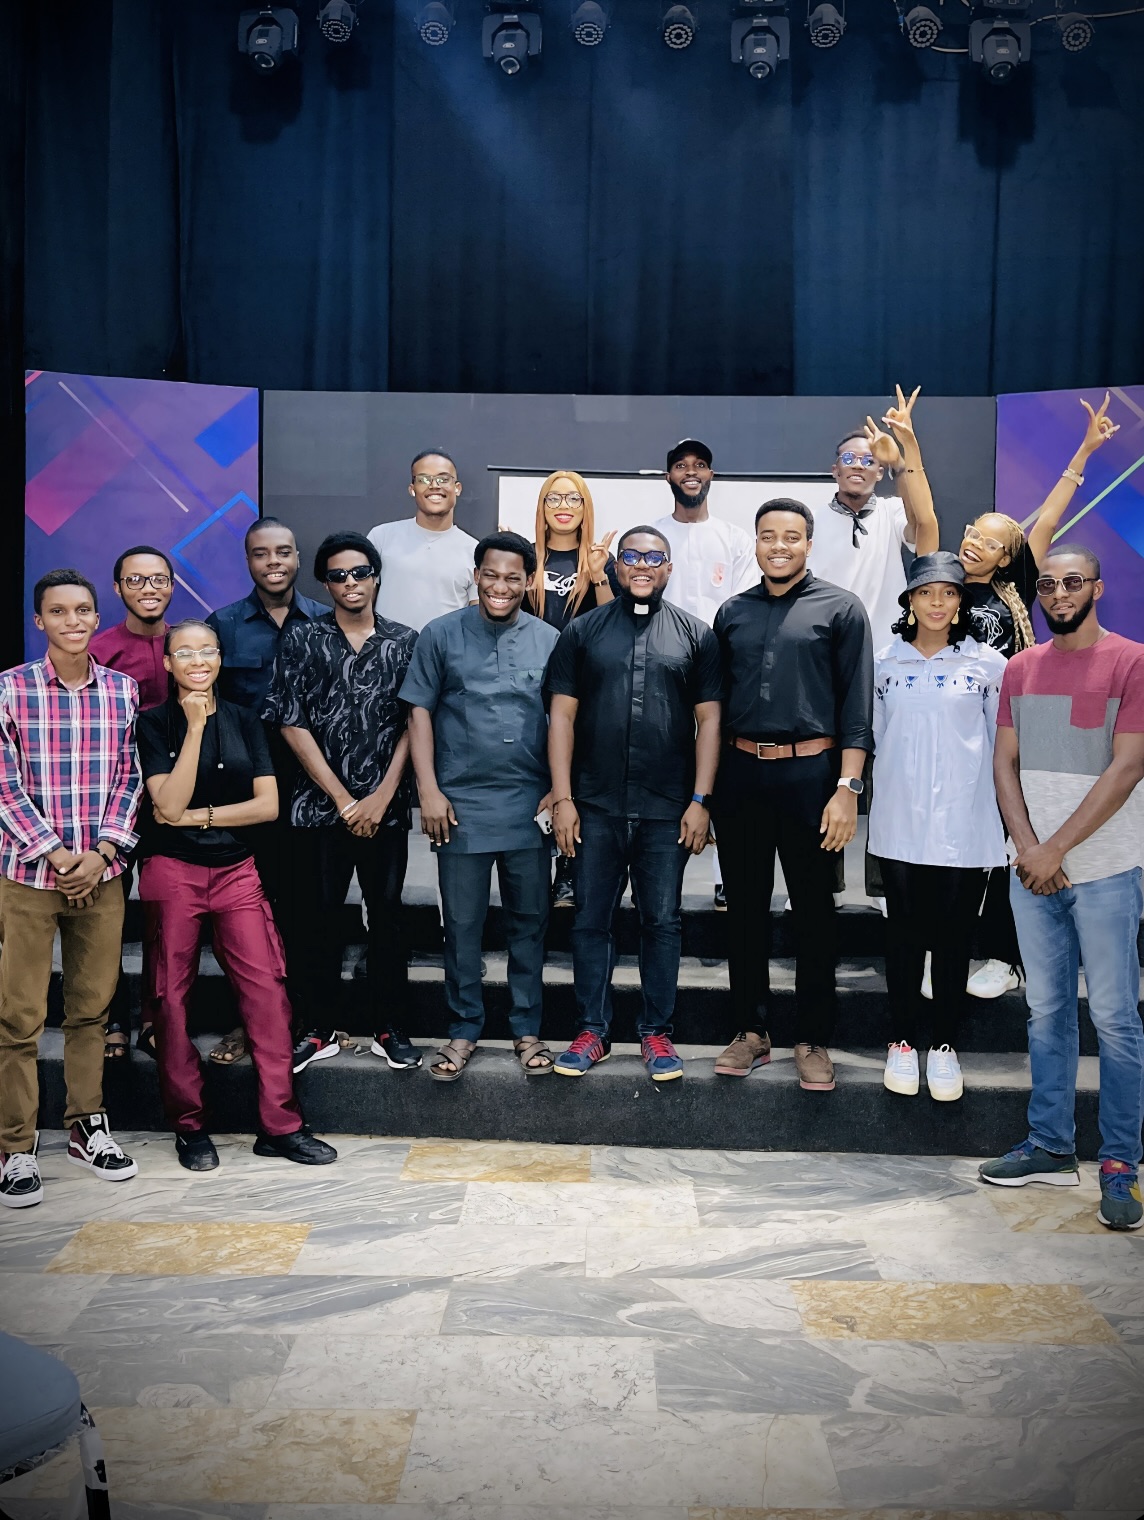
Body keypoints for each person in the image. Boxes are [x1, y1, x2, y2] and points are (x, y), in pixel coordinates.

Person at [907, 393, 1120, 1000]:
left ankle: (1005, 956)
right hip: (947, 737)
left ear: (1009, 556)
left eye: (993, 541)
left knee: (1007, 844)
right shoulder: (941, 582)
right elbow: (925, 516)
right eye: (974, 532)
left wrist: (1083, 452)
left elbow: (1047, 518)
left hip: (1005, 738)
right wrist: (910, 445)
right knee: (945, 847)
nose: (977, 542)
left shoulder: (1016, 590)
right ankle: (939, 951)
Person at [980, 546, 1144, 1231]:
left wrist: (1056, 848)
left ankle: (1120, 1163)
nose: (1058, 593)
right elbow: (1004, 764)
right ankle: (1050, 1144)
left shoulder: (1132, 662)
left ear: (1097, 589)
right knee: (1046, 1012)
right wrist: (1029, 848)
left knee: (1114, 1018)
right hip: (1032, 873)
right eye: (1047, 584)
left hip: (1106, 870)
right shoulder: (1021, 668)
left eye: (1072, 582)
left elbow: (1128, 768)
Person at [136, 620, 336, 1170]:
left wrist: (198, 817)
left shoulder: (247, 719)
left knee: (267, 992)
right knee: (171, 999)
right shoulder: (151, 723)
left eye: (208, 650)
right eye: (185, 652)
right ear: (168, 663)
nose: (198, 661)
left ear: (221, 657)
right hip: (172, 871)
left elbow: (266, 806)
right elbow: (164, 806)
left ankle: (280, 1125)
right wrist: (196, 728)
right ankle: (189, 1126)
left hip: (236, 871)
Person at [546, 527, 722, 1083]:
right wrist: (563, 798)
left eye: (653, 557)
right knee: (590, 921)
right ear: (616, 566)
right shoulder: (582, 631)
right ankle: (592, 1030)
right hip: (593, 805)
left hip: (667, 807)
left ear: (668, 567)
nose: (642, 565)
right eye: (631, 555)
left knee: (662, 922)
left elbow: (710, 721)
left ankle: (656, 1032)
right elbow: (561, 717)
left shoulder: (696, 635)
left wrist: (701, 800)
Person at [712, 500, 873, 1093]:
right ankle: (750, 1030)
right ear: (755, 543)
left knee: (813, 914)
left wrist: (847, 788)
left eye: (791, 537)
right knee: (744, 910)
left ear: (808, 544)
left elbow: (857, 708)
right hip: (740, 775)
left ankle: (812, 1037)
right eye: (767, 536)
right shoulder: (732, 612)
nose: (778, 546)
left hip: (813, 777)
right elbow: (714, 706)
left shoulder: (842, 609)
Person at [0, 571, 141, 1208]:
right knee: (19, 1015)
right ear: (40, 621)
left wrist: (103, 851)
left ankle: (87, 1126)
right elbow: (4, 785)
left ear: (95, 616)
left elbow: (130, 778)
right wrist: (55, 854)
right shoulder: (11, 689)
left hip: (101, 873)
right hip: (30, 875)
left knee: (91, 1010)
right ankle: (15, 1145)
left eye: (83, 610)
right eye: (59, 612)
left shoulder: (122, 690)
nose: (73, 621)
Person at [403, 532, 560, 1080]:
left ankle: (527, 1029)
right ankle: (463, 1029)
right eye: (491, 575)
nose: (500, 586)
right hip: (460, 806)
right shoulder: (440, 634)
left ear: (529, 581)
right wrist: (428, 790)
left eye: (513, 577)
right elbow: (418, 713)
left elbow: (565, 720)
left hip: (529, 806)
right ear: (476, 575)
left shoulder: (549, 639)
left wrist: (558, 790)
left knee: (530, 925)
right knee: (462, 926)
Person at [263, 531, 420, 1073]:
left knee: (388, 919)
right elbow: (290, 720)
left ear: (376, 576)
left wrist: (380, 797)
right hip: (318, 809)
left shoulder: (405, 641)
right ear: (325, 583)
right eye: (338, 575)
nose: (350, 582)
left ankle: (388, 1026)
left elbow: (414, 724)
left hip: (385, 810)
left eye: (359, 572)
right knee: (317, 920)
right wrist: (343, 799)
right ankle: (318, 1027)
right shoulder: (303, 639)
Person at [870, 552, 1007, 1102]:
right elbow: (874, 738)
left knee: (953, 936)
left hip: (964, 819)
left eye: (948, 593)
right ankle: (903, 1041)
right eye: (926, 592)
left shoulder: (988, 665)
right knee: (903, 934)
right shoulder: (883, 663)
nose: (937, 603)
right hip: (900, 818)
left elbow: (1000, 748)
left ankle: (945, 1046)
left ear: (960, 602)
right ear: (910, 600)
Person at [205, 518, 328, 1068]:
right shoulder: (223, 625)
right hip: (248, 797)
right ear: (249, 561)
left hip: (314, 794)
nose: (273, 562)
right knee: (247, 917)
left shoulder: (325, 620)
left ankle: (304, 1017)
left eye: (283, 551)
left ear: (297, 557)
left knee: (309, 911)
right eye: (261, 553)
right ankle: (249, 1018)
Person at [651, 439, 758, 911]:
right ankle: (657, 877)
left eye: (699, 465)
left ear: (711, 475)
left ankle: (724, 877)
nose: (690, 472)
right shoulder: (652, 536)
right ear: (668, 477)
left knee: (722, 772)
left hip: (719, 672)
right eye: (681, 466)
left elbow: (740, 609)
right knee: (668, 767)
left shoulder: (734, 539)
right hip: (662, 671)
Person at [88, 545, 175, 1063]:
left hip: (173, 806)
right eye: (136, 580)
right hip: (113, 805)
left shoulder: (187, 645)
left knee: (163, 917)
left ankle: (153, 1016)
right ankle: (112, 1019)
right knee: (110, 919)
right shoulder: (99, 651)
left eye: (158, 579)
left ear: (172, 586)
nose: (149, 588)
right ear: (119, 588)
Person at [526, 470, 617, 908]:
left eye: (573, 499)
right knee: (535, 776)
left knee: (573, 779)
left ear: (585, 508)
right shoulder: (526, 559)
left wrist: (599, 576)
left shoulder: (603, 561)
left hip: (582, 690)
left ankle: (568, 872)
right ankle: (530, 874)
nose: (563, 507)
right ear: (542, 507)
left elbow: (616, 624)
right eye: (554, 498)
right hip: (529, 687)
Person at [368, 450, 478, 633]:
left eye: (443, 479)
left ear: (457, 488)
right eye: (424, 479)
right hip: (385, 649)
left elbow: (476, 623)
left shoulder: (474, 550)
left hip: (444, 651)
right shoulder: (381, 537)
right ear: (412, 489)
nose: (434, 486)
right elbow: (362, 605)